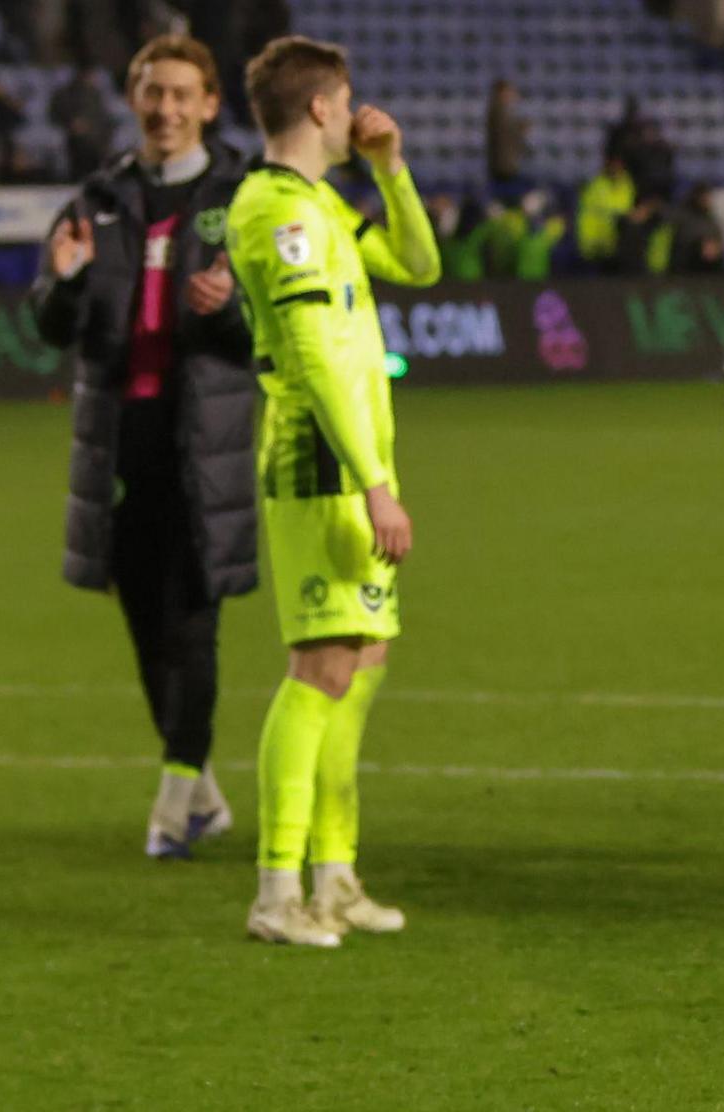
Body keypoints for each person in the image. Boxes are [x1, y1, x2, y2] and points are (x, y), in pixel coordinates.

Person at [226, 36, 439, 946]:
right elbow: (313, 357)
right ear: (321, 108)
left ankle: (335, 873)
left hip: (353, 465)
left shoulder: (321, 206)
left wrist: (392, 171)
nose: (355, 113)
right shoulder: (279, 212)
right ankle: (277, 892)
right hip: (322, 466)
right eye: (347, 100)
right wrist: (375, 485)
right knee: (319, 667)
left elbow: (421, 264)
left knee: (360, 667)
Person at [31, 35, 256, 860]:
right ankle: (200, 787)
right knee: (146, 632)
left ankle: (174, 798)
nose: (165, 108)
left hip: (205, 451)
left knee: (193, 628)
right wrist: (66, 281)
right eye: (153, 92)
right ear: (135, 100)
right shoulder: (95, 200)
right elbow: (50, 323)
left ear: (208, 104)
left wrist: (230, 308)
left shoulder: (245, 197)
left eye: (182, 94)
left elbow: (270, 331)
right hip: (119, 449)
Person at [49, 66, 113, 177]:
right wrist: (71, 124)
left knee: (95, 142)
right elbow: (55, 113)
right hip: (69, 130)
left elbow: (102, 116)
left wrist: (90, 125)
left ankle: (96, 174)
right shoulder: (64, 94)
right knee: (77, 142)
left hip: (94, 132)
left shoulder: (95, 95)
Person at [577, 154, 635, 269]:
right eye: (613, 165)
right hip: (594, 236)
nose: (616, 169)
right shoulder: (596, 184)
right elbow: (595, 207)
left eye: (618, 166)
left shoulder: (627, 183)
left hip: (614, 237)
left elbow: (625, 206)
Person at [485, 77, 526, 192]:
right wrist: (519, 129)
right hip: (503, 165)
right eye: (509, 91)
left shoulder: (499, 110)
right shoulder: (498, 111)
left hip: (505, 163)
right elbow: (506, 135)